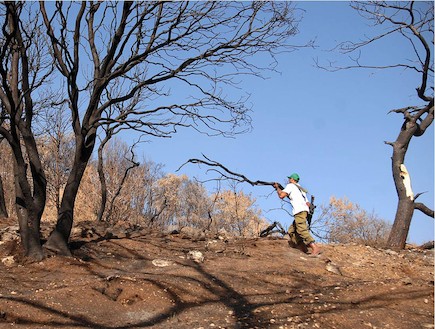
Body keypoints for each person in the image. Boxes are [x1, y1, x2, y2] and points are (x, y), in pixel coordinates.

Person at [274, 173, 322, 256]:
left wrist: (277, 188)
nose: (289, 180)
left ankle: (314, 247)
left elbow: (281, 195)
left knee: (301, 230)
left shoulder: (291, 186)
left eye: (290, 179)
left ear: (292, 179)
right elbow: (307, 203)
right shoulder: (301, 189)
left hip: (299, 211)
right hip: (304, 211)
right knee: (292, 231)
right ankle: (303, 249)